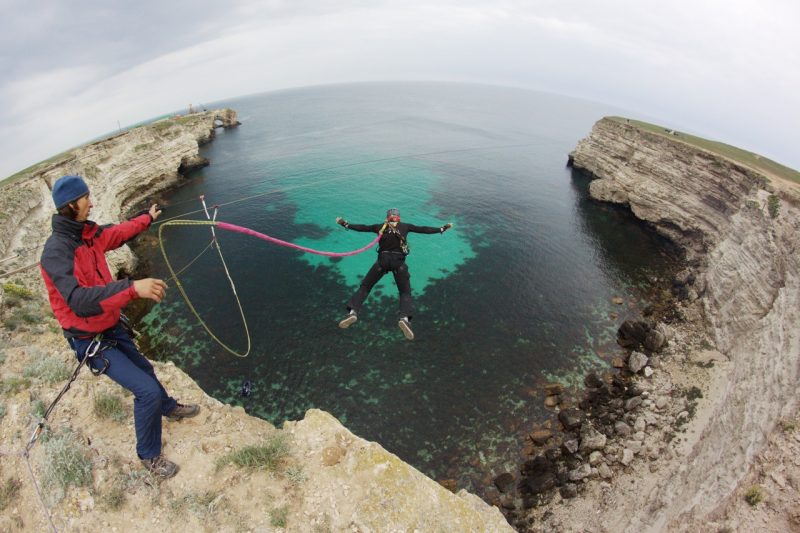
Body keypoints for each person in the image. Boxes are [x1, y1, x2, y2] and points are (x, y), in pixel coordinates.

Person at [39, 175, 199, 478]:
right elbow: (78, 301)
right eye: (86, 198)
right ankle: (149, 456)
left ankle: (168, 407)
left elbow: (117, 233)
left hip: (109, 325)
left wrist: (146, 218)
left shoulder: (88, 234)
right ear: (71, 205)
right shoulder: (56, 253)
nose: (92, 202)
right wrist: (131, 289)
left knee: (147, 371)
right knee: (146, 390)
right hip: (89, 339)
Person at [335, 208, 452, 340]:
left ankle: (352, 312)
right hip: (399, 263)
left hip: (382, 262)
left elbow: (362, 227)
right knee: (405, 292)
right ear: (398, 217)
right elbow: (423, 229)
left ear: (388, 217)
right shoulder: (405, 226)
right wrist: (441, 229)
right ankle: (404, 319)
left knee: (365, 287)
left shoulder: (380, 227)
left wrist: (345, 224)